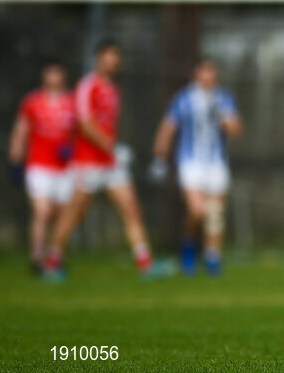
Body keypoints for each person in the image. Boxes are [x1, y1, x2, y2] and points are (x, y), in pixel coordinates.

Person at [43, 39, 162, 280]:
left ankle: (145, 263)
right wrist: (111, 146)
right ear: (99, 58)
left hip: (110, 162)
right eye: (108, 56)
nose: (113, 61)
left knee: (131, 209)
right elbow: (85, 123)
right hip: (88, 161)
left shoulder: (113, 90)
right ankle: (52, 261)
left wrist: (113, 150)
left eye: (116, 56)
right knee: (75, 213)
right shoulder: (88, 86)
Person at [151, 58, 242, 276]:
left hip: (216, 161)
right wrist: (159, 157)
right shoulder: (183, 99)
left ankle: (212, 256)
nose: (208, 76)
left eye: (212, 71)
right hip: (190, 161)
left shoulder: (223, 99)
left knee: (215, 213)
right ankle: (188, 245)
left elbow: (236, 130)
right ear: (196, 74)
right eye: (204, 71)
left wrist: (221, 116)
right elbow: (168, 128)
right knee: (197, 210)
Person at [7, 59, 76, 273]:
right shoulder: (32, 102)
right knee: (42, 212)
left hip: (65, 168)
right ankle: (36, 257)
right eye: (50, 72)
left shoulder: (72, 101)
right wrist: (15, 159)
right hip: (39, 165)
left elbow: (80, 133)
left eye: (58, 72)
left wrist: (72, 149)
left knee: (61, 214)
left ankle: (55, 257)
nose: (54, 76)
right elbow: (21, 130)